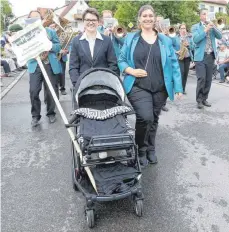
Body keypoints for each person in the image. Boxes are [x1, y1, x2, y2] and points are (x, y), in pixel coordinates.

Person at [118, 5, 183, 167]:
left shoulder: (165, 40)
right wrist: (131, 70)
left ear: (154, 19)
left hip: (160, 88)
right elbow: (121, 60)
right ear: (139, 19)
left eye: (150, 16)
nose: (148, 18)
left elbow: (174, 63)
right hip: (137, 86)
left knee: (154, 119)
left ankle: (151, 149)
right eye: (144, 16)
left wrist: (178, 87)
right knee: (145, 117)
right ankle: (140, 149)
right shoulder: (131, 38)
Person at [26, 11, 62, 127]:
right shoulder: (26, 34)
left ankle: (51, 113)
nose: (35, 19)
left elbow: (58, 46)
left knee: (51, 90)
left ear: (40, 19)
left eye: (37, 17)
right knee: (33, 91)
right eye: (32, 18)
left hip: (49, 64)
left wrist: (49, 46)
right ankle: (35, 116)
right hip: (34, 65)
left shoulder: (50, 32)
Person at [69, 8, 119, 86]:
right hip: (83, 86)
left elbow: (113, 65)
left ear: (98, 22)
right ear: (83, 21)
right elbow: (73, 67)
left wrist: (108, 82)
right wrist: (77, 84)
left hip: (104, 85)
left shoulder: (107, 40)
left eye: (94, 20)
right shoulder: (76, 41)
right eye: (88, 20)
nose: (91, 22)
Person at [191, 8, 222, 109]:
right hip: (200, 56)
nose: (206, 16)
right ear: (200, 16)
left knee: (208, 79)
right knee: (202, 79)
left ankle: (204, 99)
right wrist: (206, 29)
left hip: (210, 56)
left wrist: (214, 27)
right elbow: (195, 39)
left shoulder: (212, 26)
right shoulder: (195, 27)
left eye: (207, 14)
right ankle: (199, 100)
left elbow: (220, 36)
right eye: (204, 14)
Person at [172, 23, 194, 94]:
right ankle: (178, 89)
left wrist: (189, 45)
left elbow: (193, 47)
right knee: (181, 73)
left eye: (184, 28)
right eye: (182, 28)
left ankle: (183, 89)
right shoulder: (175, 37)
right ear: (179, 30)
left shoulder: (189, 37)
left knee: (185, 74)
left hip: (187, 58)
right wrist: (176, 51)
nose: (183, 30)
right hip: (179, 57)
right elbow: (170, 46)